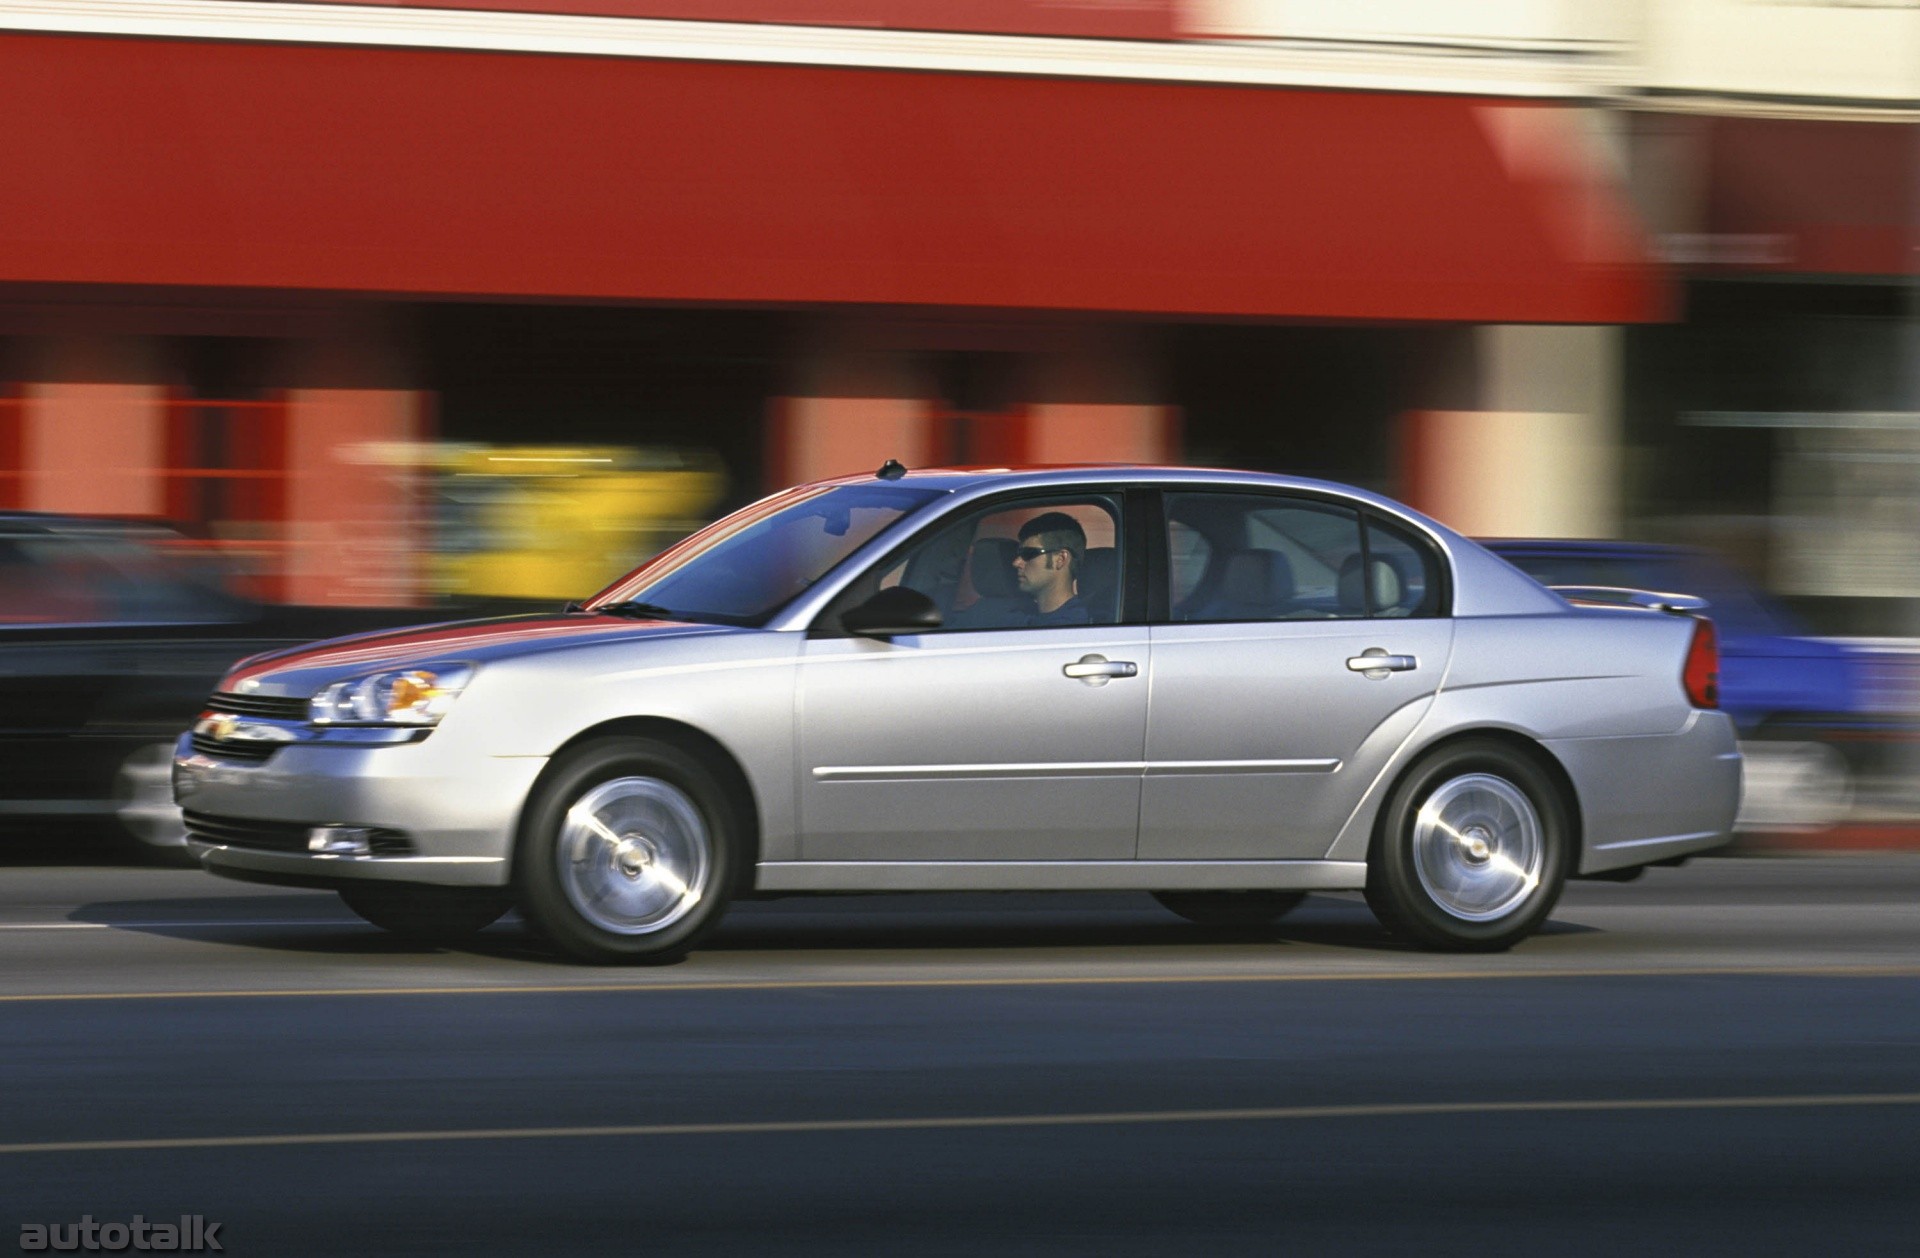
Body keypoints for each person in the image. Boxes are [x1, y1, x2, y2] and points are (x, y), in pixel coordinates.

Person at [1011, 512, 1091, 626]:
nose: (1016, 562)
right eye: (1018, 554)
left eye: (1028, 553)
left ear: (1060, 559)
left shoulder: (1072, 627)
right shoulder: (1023, 616)